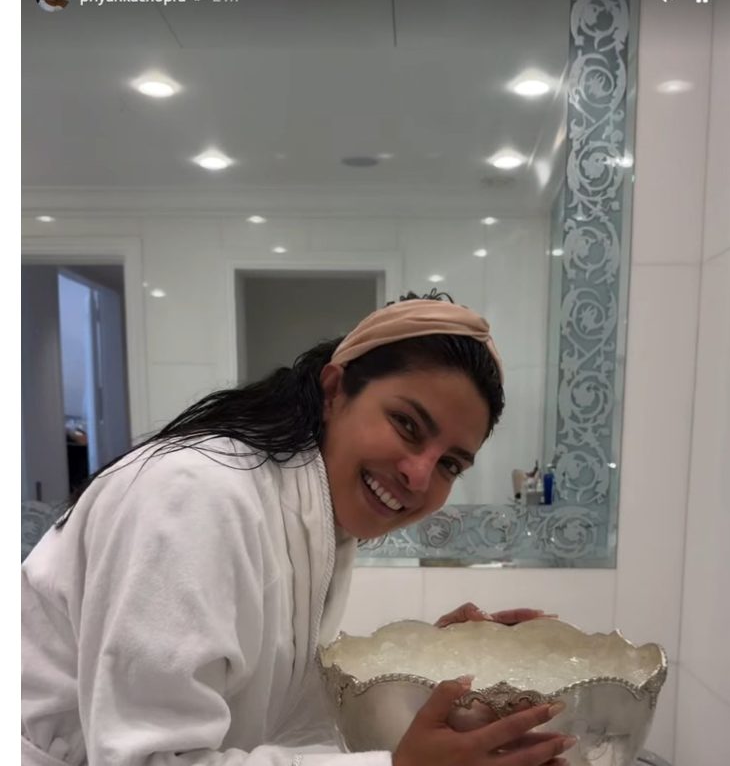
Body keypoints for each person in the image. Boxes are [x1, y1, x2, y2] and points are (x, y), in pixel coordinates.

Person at [22, 291, 575, 766]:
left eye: (450, 463)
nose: (419, 475)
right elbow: (147, 759)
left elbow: (284, 713)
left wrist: (425, 666)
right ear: (335, 390)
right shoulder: (195, 494)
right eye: (407, 424)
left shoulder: (315, 521)